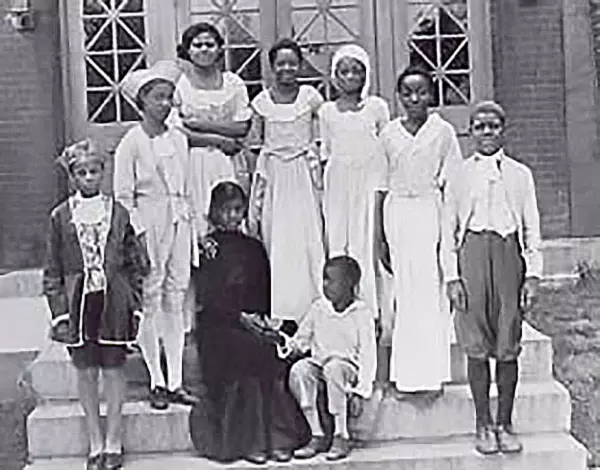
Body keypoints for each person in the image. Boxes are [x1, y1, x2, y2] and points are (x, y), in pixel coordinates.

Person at [441, 101, 541, 455]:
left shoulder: (519, 174)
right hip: (471, 255)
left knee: (507, 341)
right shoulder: (459, 175)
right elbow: (447, 229)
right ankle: (483, 422)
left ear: (503, 130)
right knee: (476, 343)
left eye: (493, 126)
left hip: (508, 255)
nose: (486, 132)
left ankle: (505, 422)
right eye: (480, 127)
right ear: (470, 132)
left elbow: (531, 227)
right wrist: (452, 278)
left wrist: (533, 275)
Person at [43, 140, 149, 470]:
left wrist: (134, 301)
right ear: (72, 177)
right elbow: (53, 268)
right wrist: (59, 310)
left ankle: (114, 439)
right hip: (79, 302)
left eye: (94, 171)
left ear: (103, 173)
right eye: (81, 173)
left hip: (113, 300)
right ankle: (95, 440)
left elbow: (133, 261)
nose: (89, 178)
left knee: (114, 368)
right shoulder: (61, 216)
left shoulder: (118, 212)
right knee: (86, 370)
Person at [189, 181, 310, 465]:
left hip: (251, 321)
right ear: (212, 213)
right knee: (247, 351)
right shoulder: (209, 247)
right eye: (225, 210)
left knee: (269, 346)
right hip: (219, 325)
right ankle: (251, 441)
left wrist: (263, 321)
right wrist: (240, 318)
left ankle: (278, 438)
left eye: (237, 210)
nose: (232, 216)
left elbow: (262, 292)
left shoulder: (254, 247)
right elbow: (208, 297)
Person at [375, 66, 463, 401]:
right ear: (399, 97)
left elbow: (453, 182)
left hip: (430, 211)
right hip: (397, 213)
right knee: (403, 293)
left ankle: (432, 373)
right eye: (408, 93)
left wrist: (450, 230)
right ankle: (405, 375)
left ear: (431, 95)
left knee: (431, 292)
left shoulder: (442, 132)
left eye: (421, 92)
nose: (415, 98)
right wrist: (380, 237)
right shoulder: (389, 134)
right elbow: (380, 185)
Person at [115, 60, 197, 411]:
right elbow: (123, 196)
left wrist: (195, 229)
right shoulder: (131, 143)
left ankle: (176, 379)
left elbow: (187, 186)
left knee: (175, 296)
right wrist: (137, 235)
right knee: (151, 296)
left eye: (169, 97)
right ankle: (156, 380)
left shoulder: (178, 138)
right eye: (158, 97)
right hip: (148, 221)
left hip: (179, 220)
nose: (165, 104)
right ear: (142, 102)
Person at [248, 38, 325, 323]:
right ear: (271, 67)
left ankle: (314, 307)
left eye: (292, 62)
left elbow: (324, 133)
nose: (287, 68)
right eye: (281, 63)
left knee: (309, 238)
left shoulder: (310, 97)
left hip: (304, 175)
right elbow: (254, 145)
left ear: (301, 65)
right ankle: (282, 312)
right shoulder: (261, 102)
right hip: (275, 177)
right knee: (278, 240)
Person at [319, 44, 390, 319]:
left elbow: (386, 148)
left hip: (368, 183)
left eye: (357, 71)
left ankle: (370, 310)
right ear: (334, 76)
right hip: (338, 186)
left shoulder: (376, 107)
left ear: (366, 75)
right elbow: (326, 152)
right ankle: (340, 307)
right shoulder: (327, 112)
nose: (350, 77)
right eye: (344, 71)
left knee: (366, 242)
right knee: (339, 241)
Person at [287, 256, 377, 461]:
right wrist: (287, 344)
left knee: (334, 368)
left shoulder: (361, 313)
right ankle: (316, 433)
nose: (325, 285)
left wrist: (361, 391)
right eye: (324, 279)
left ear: (349, 285)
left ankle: (340, 434)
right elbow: (301, 339)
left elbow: (368, 354)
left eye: (331, 280)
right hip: (320, 365)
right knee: (300, 370)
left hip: (346, 369)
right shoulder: (318, 308)